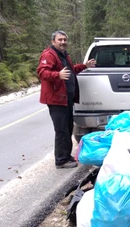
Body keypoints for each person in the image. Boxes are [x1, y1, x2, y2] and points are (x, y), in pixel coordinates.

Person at [37, 30, 96, 169]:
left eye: (64, 39)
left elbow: (71, 70)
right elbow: (42, 72)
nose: (63, 42)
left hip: (66, 99)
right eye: (60, 40)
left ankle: (66, 155)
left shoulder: (63, 55)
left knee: (68, 128)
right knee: (61, 130)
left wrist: (84, 66)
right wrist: (57, 75)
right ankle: (61, 161)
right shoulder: (49, 55)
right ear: (53, 41)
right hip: (56, 100)